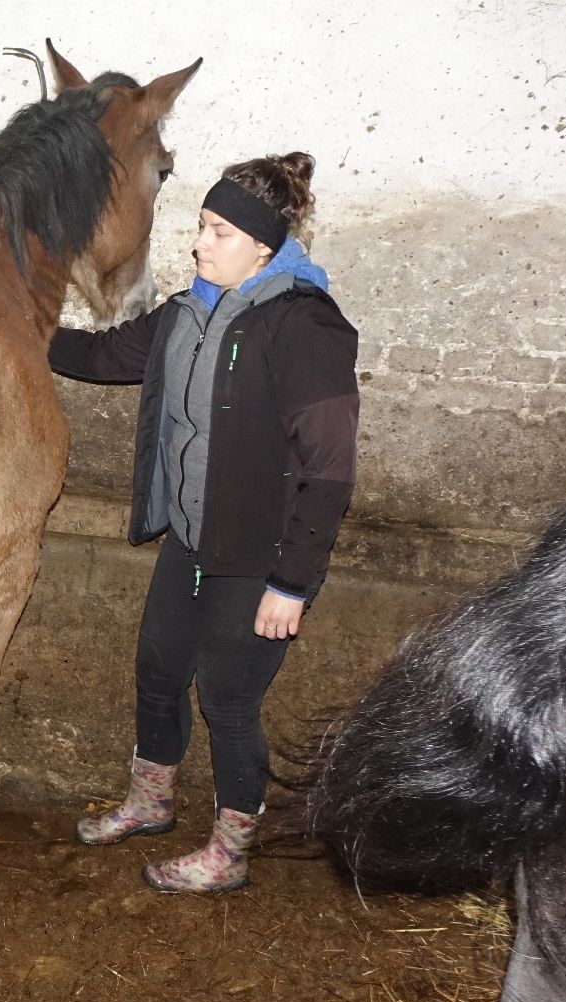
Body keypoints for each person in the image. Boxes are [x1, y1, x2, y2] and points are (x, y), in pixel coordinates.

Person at [52, 152, 359, 894]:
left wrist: (292, 583)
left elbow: (330, 470)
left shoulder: (305, 328)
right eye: (200, 227)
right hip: (189, 541)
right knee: (157, 672)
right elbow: (102, 354)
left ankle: (230, 847)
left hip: (258, 556)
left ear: (262, 244)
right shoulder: (189, 311)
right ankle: (151, 800)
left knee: (227, 699)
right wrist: (20, 324)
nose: (199, 244)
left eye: (218, 231)